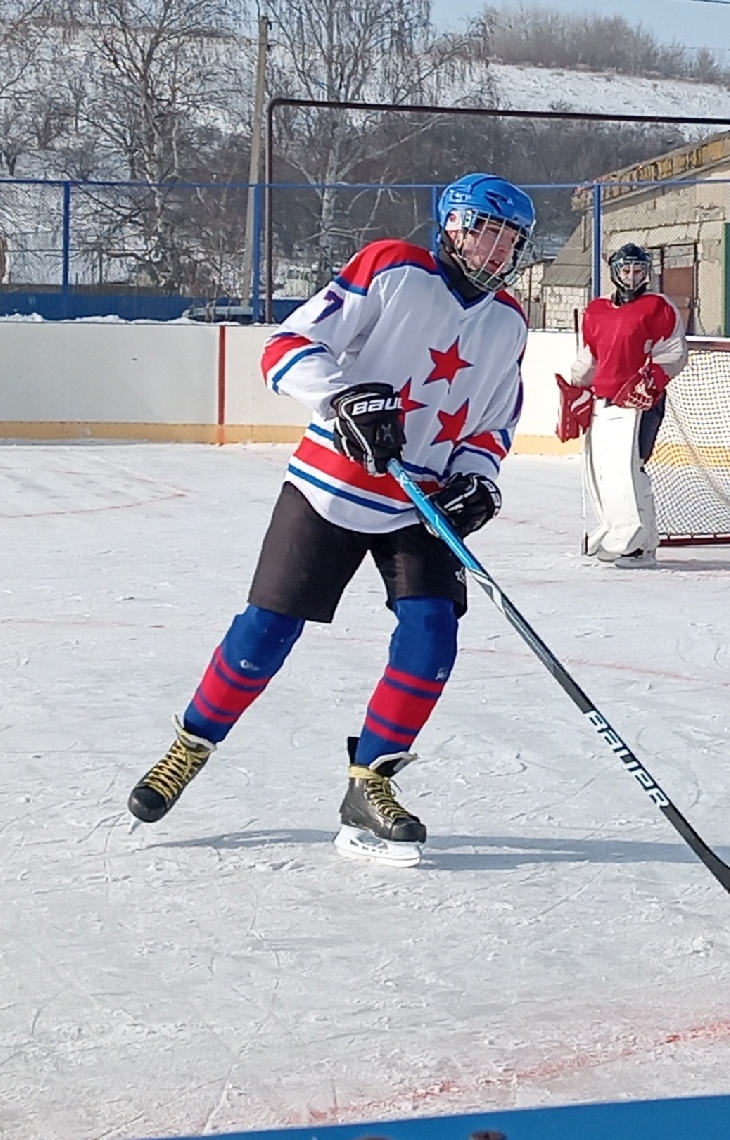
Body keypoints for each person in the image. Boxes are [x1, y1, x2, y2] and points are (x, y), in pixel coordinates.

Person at [127, 174, 535, 866]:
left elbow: (494, 422)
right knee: (269, 628)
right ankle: (190, 743)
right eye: (482, 229)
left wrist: (482, 484)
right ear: (450, 225)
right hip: (331, 486)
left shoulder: (509, 322)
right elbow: (287, 347)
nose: (493, 249)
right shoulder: (392, 268)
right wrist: (347, 399)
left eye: (508, 239)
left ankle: (368, 783)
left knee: (432, 634)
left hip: (419, 501)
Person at [560, 241, 686, 565]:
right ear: (615, 272)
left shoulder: (658, 307)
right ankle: (613, 533)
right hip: (604, 401)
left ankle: (637, 544)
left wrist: (651, 382)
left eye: (639, 270)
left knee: (629, 472)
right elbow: (590, 355)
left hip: (637, 403)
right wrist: (576, 388)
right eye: (626, 270)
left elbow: (673, 353)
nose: (632, 276)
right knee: (603, 472)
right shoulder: (597, 310)